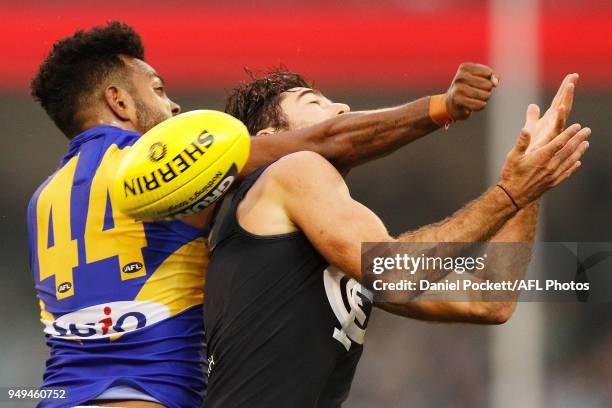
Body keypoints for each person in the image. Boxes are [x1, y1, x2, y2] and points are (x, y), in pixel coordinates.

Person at [27, 22, 498, 407]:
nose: (172, 105)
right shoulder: (161, 164)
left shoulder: (43, 200)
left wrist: (523, 188)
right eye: (157, 89)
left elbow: (484, 301)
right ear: (119, 101)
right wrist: (441, 107)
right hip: (145, 399)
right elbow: (328, 144)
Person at [202, 70, 588, 407]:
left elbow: (490, 300)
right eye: (314, 102)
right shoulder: (291, 169)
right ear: (271, 137)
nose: (341, 108)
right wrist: (509, 194)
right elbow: (394, 274)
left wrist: (529, 184)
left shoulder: (332, 230)